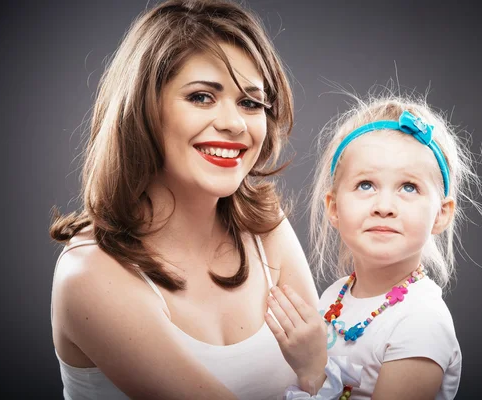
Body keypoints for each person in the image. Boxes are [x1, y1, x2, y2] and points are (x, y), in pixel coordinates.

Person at [49, 1, 320, 399]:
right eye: (201, 97)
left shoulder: (265, 226)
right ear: (143, 109)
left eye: (250, 102)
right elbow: (326, 373)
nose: (234, 123)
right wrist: (315, 374)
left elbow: (340, 369)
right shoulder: (90, 274)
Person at [266, 91, 482, 399]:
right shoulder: (333, 296)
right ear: (334, 208)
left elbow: (313, 375)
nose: (384, 206)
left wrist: (313, 370)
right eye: (366, 185)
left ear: (441, 215)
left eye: (409, 187)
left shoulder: (421, 322)